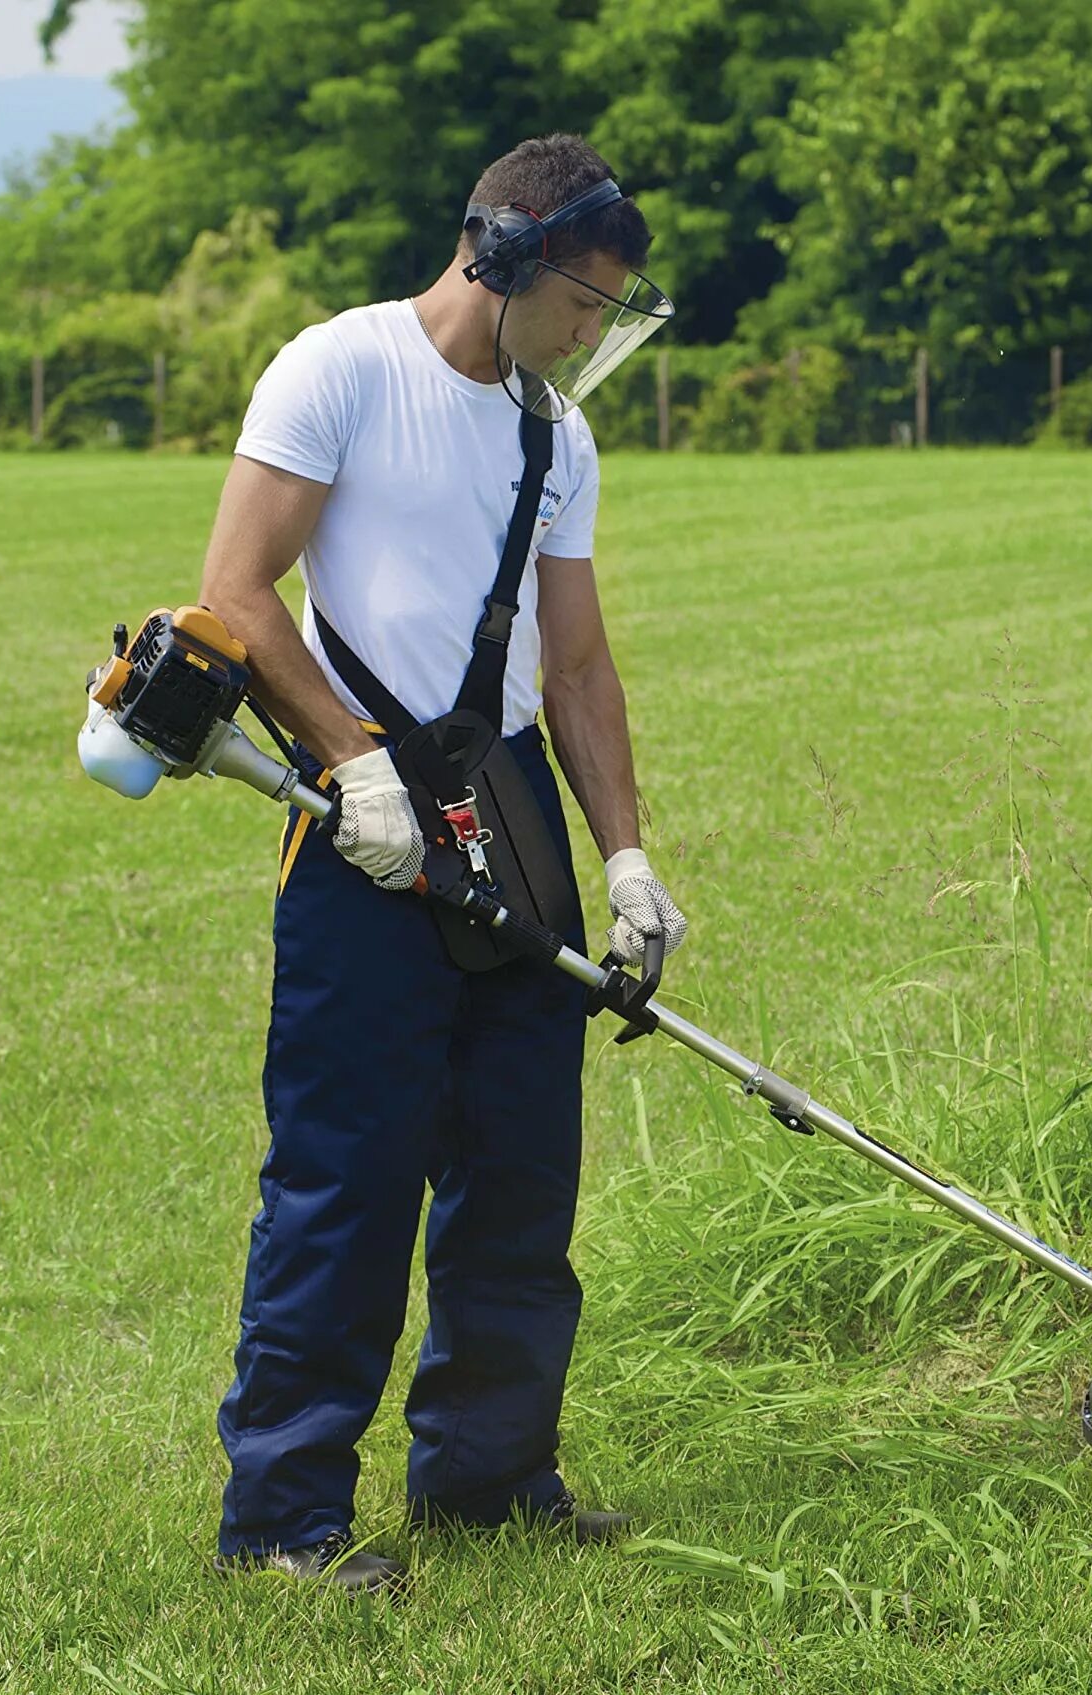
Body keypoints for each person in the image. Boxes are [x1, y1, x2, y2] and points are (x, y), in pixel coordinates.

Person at [195, 134, 685, 1597]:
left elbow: (580, 664)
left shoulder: (558, 437)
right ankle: (282, 1525)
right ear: (507, 259)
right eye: (587, 304)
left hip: (508, 808)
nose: (595, 333)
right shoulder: (339, 369)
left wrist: (629, 857)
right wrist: (349, 762)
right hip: (359, 816)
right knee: (349, 1177)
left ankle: (489, 1479)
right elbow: (235, 592)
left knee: (523, 1172)